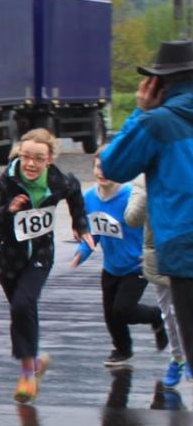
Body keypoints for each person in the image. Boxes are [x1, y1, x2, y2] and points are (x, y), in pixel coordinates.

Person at [101, 40, 193, 404]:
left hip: (185, 249)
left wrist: (139, 112)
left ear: (160, 83)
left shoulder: (158, 122)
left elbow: (113, 166)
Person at [0, 128, 93, 403]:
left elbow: (75, 190)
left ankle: (27, 370)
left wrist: (79, 223)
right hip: (7, 260)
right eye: (26, 156)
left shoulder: (57, 181)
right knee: (22, 309)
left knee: (22, 305)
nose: (30, 163)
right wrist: (8, 210)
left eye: (38, 158)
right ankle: (35, 361)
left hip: (40, 254)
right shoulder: (3, 184)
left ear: (49, 159)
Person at [71, 158, 165, 368]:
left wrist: (154, 251)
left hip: (136, 265)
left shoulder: (131, 196)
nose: (102, 172)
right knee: (111, 316)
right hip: (111, 267)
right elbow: (92, 234)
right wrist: (81, 253)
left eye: (110, 167)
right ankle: (123, 350)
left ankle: (157, 316)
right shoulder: (89, 198)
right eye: (98, 167)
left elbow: (154, 224)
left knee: (123, 310)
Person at [123, 189, 186, 388]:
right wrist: (146, 191)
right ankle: (177, 359)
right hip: (160, 254)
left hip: (187, 250)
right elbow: (132, 219)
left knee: (184, 311)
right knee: (169, 314)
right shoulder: (144, 180)